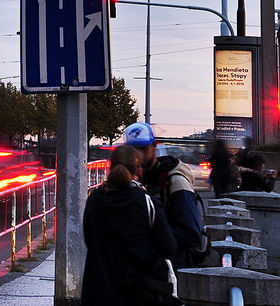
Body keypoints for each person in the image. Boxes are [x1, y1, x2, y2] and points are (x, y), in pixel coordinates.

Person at [82, 144, 178, 305]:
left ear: (109, 168)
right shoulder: (148, 204)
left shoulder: (94, 200)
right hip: (140, 294)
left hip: (98, 292)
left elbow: (89, 240)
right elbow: (169, 248)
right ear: (139, 170)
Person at [124, 121, 204, 269]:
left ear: (154, 146)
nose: (138, 155)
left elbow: (191, 234)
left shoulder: (176, 181)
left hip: (171, 269)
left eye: (143, 148)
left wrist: (147, 237)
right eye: (133, 149)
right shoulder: (132, 181)